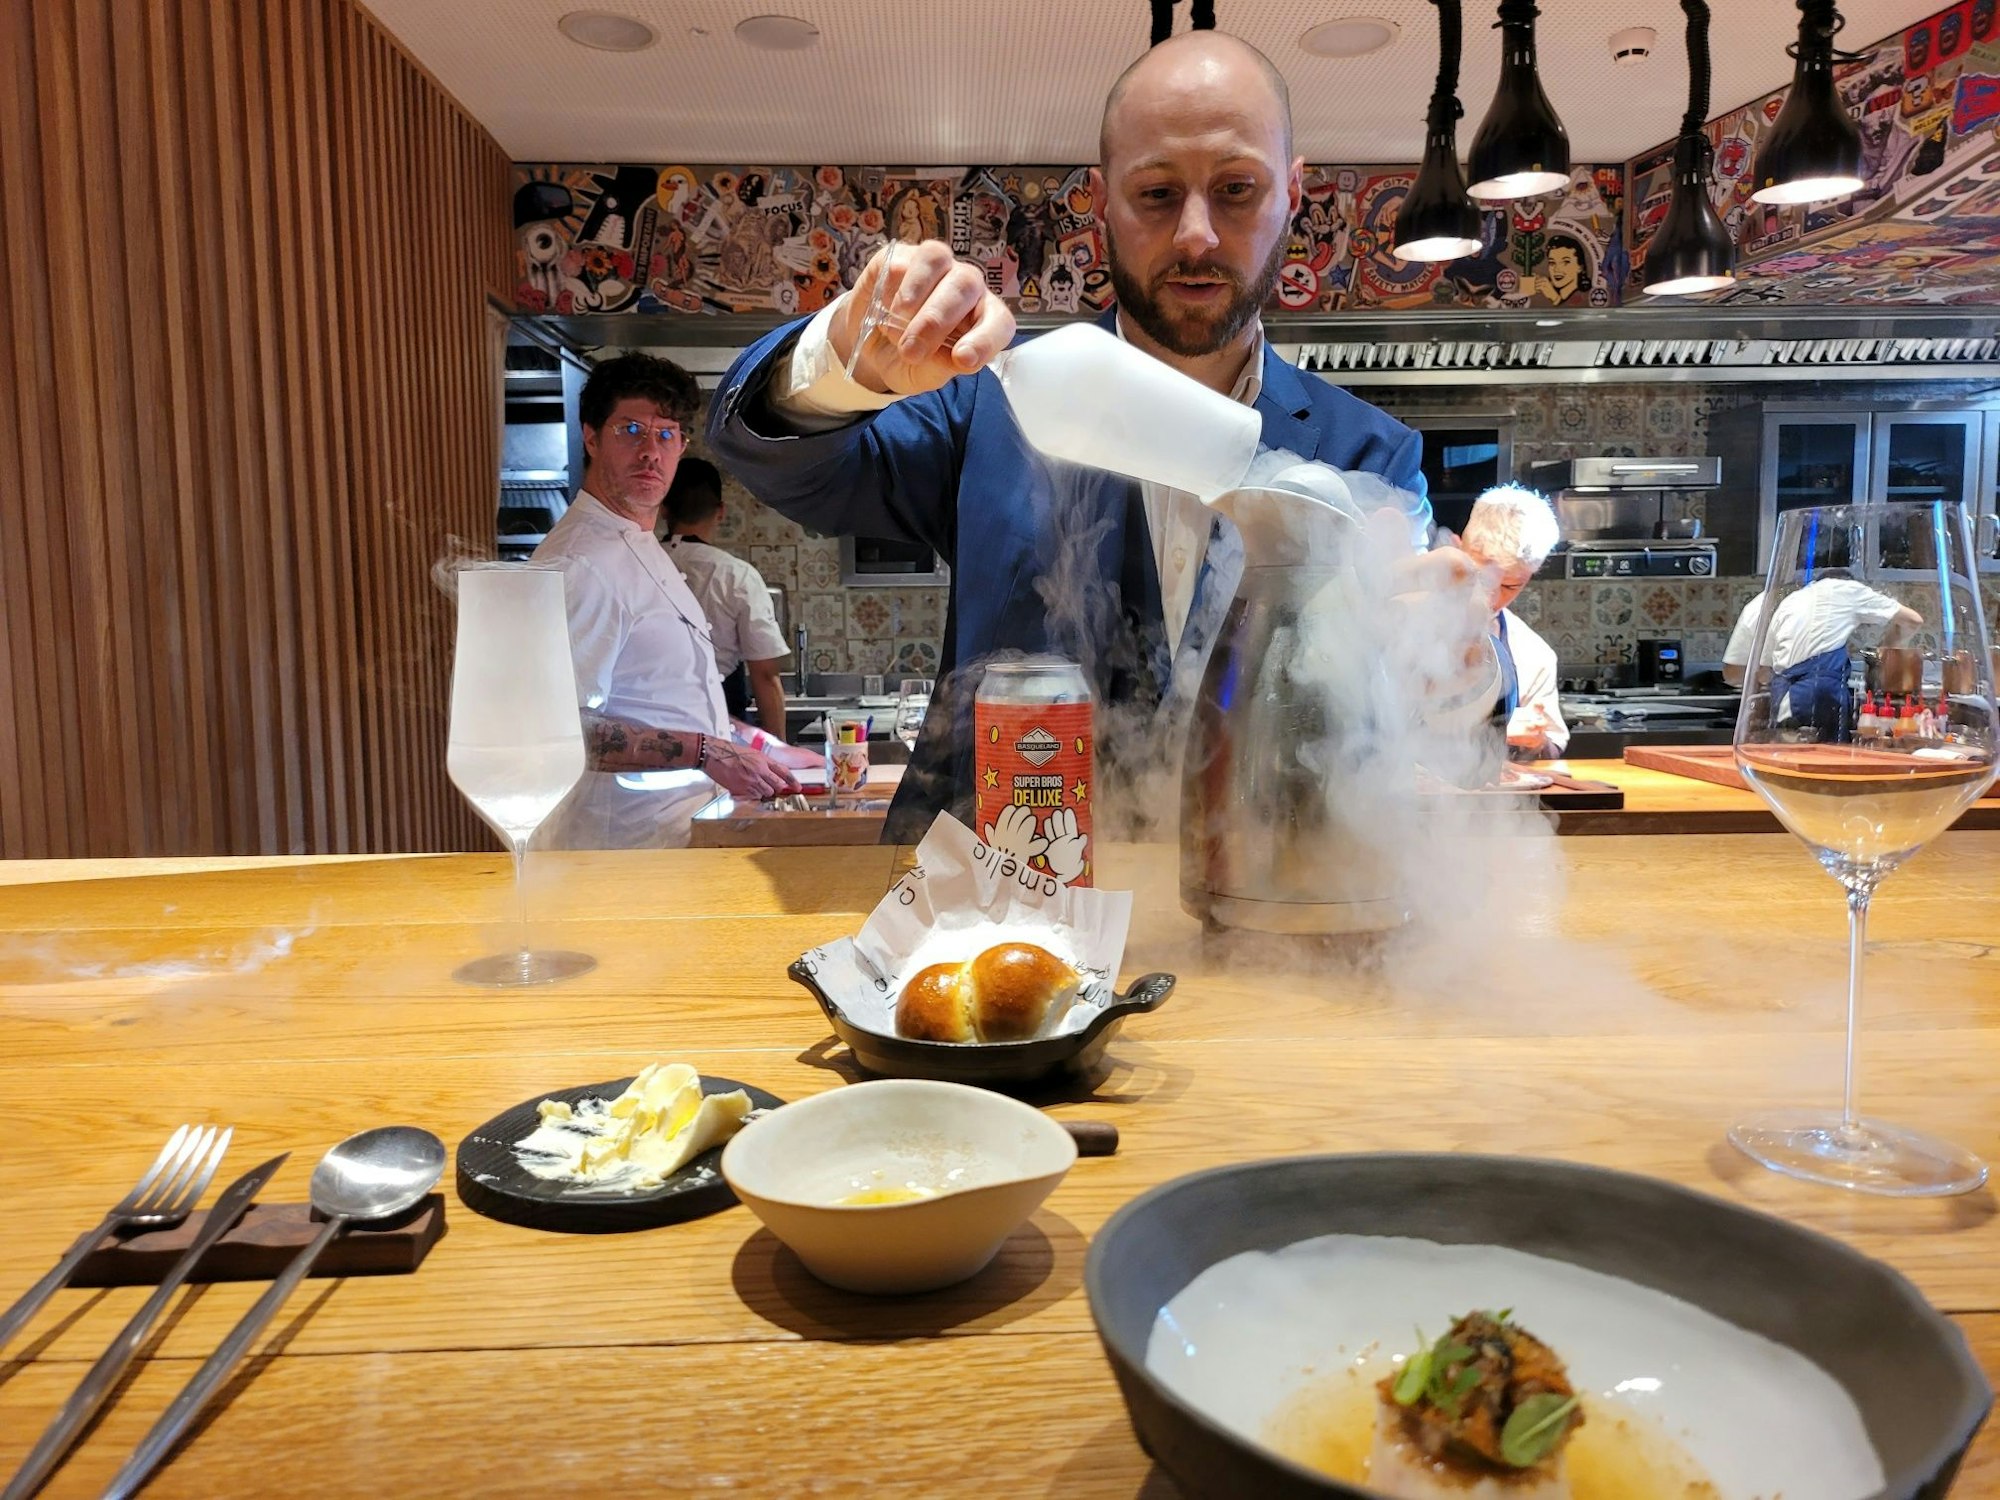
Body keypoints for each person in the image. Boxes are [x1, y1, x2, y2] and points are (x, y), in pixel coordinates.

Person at [708, 30, 1483, 840]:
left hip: (1264, 913)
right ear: (1102, 198)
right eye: (1156, 194)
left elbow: (1425, 704)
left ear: (1293, 192)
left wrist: (1455, 659)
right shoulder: (985, 407)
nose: (1196, 234)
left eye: (1236, 189)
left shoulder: (1364, 453)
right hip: (991, 915)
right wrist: (848, 356)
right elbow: (782, 461)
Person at [533, 354, 815, 848]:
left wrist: (754, 743)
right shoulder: (580, 563)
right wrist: (710, 752)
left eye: (667, 434)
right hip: (617, 853)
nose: (651, 452)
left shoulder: (642, 546)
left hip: (675, 837)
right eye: (631, 430)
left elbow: (660, 696)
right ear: (592, 437)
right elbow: (557, 731)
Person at [1723, 536, 1921, 740]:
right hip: (1817, 698)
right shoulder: (1847, 590)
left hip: (1781, 701)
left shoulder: (1788, 602)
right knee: (1827, 763)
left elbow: (1763, 673)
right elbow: (1913, 620)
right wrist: (1886, 648)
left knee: (1789, 760)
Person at [660, 457, 791, 736]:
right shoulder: (737, 576)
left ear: (663, 509)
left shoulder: (636, 564)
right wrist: (779, 753)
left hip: (649, 729)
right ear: (720, 512)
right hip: (721, 731)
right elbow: (765, 674)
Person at [1460, 486, 1569, 758]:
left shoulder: (1533, 654)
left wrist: (1534, 738)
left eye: (1510, 586)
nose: (1491, 598)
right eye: (1481, 578)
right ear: (1459, 545)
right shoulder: (1403, 619)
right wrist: (1496, 729)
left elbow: (1551, 749)